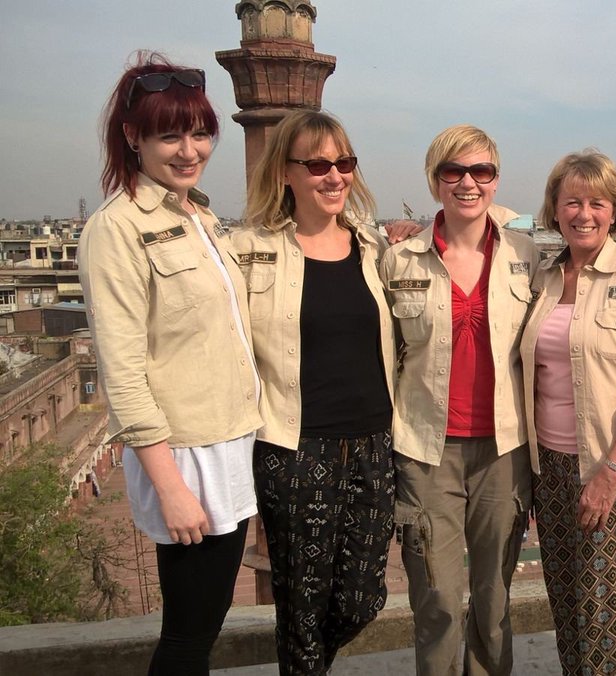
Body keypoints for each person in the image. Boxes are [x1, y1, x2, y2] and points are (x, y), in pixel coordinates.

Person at [78, 52, 261, 675]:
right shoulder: (118, 228)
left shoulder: (198, 216)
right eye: (169, 134)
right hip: (184, 456)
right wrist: (171, 488)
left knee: (202, 630)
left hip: (229, 440)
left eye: (200, 131)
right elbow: (122, 371)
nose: (190, 149)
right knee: (187, 637)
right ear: (133, 137)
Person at [232, 110, 398, 675]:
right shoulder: (250, 251)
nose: (334, 176)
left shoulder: (373, 249)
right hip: (296, 449)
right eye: (319, 164)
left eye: (344, 163)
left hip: (374, 447)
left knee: (362, 599)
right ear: (285, 172)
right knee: (301, 609)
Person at [381, 124, 539, 675]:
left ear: (496, 181)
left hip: (504, 449)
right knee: (439, 602)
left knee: (493, 604)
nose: (467, 183)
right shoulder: (400, 261)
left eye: (481, 172)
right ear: (435, 181)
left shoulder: (527, 257)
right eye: (454, 171)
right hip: (428, 453)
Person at [520, 150, 616, 675]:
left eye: (597, 203)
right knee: (565, 607)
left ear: (615, 212)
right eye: (572, 203)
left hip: (613, 467)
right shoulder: (541, 279)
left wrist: (610, 473)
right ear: (554, 211)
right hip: (551, 465)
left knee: (604, 612)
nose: (584, 214)